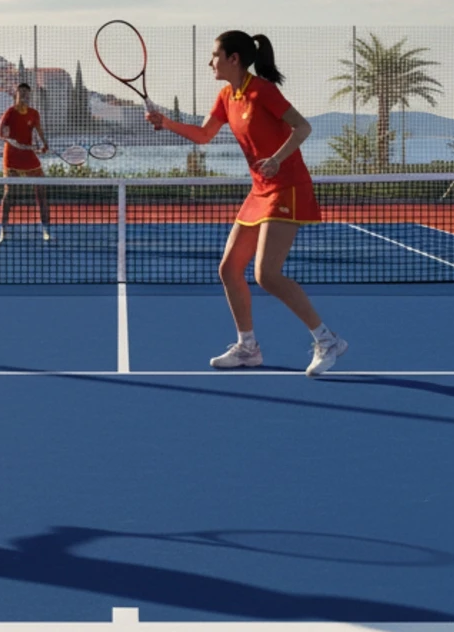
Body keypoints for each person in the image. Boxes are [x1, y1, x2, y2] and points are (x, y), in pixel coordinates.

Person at [146, 31, 347, 376]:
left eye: (215, 55)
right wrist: (166, 123)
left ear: (233, 59)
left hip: (287, 186)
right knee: (228, 269)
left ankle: (328, 341)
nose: (211, 62)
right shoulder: (226, 96)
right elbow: (204, 135)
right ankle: (247, 347)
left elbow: (302, 127)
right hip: (260, 190)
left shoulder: (263, 91)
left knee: (267, 274)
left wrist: (277, 158)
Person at [0, 81, 51, 244]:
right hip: (12, 157)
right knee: (9, 194)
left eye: (27, 93)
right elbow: (0, 134)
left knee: (41, 192)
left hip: (28, 156)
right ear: (16, 95)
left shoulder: (34, 113)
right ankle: (3, 231)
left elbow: (39, 130)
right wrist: (15, 144)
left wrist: (44, 144)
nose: (24, 96)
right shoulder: (10, 113)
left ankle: (46, 230)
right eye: (21, 93)